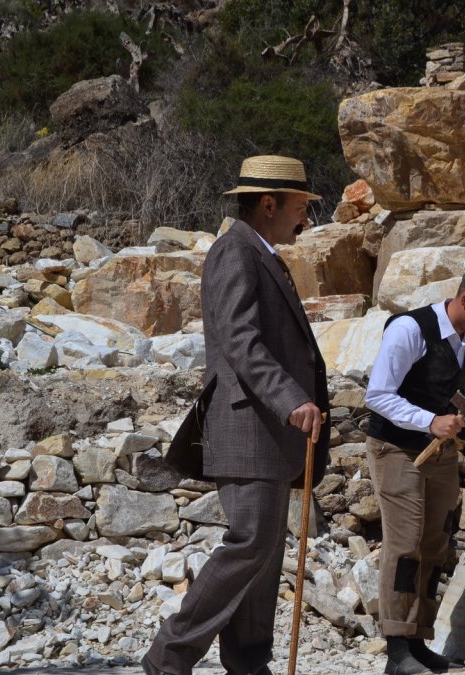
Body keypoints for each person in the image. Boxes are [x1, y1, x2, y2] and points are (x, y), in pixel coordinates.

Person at [144, 155, 330, 675]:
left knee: (263, 555)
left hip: (267, 432)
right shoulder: (235, 251)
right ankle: (168, 658)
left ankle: (248, 662)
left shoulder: (260, 253)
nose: (306, 217)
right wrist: (291, 398)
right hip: (250, 426)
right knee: (250, 544)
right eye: (300, 206)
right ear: (268, 204)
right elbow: (239, 339)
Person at [364, 263, 465, 675]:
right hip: (395, 448)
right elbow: (378, 395)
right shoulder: (410, 330)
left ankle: (417, 640)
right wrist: (430, 421)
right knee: (405, 542)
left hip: (439, 453)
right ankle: (397, 649)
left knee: (435, 543)